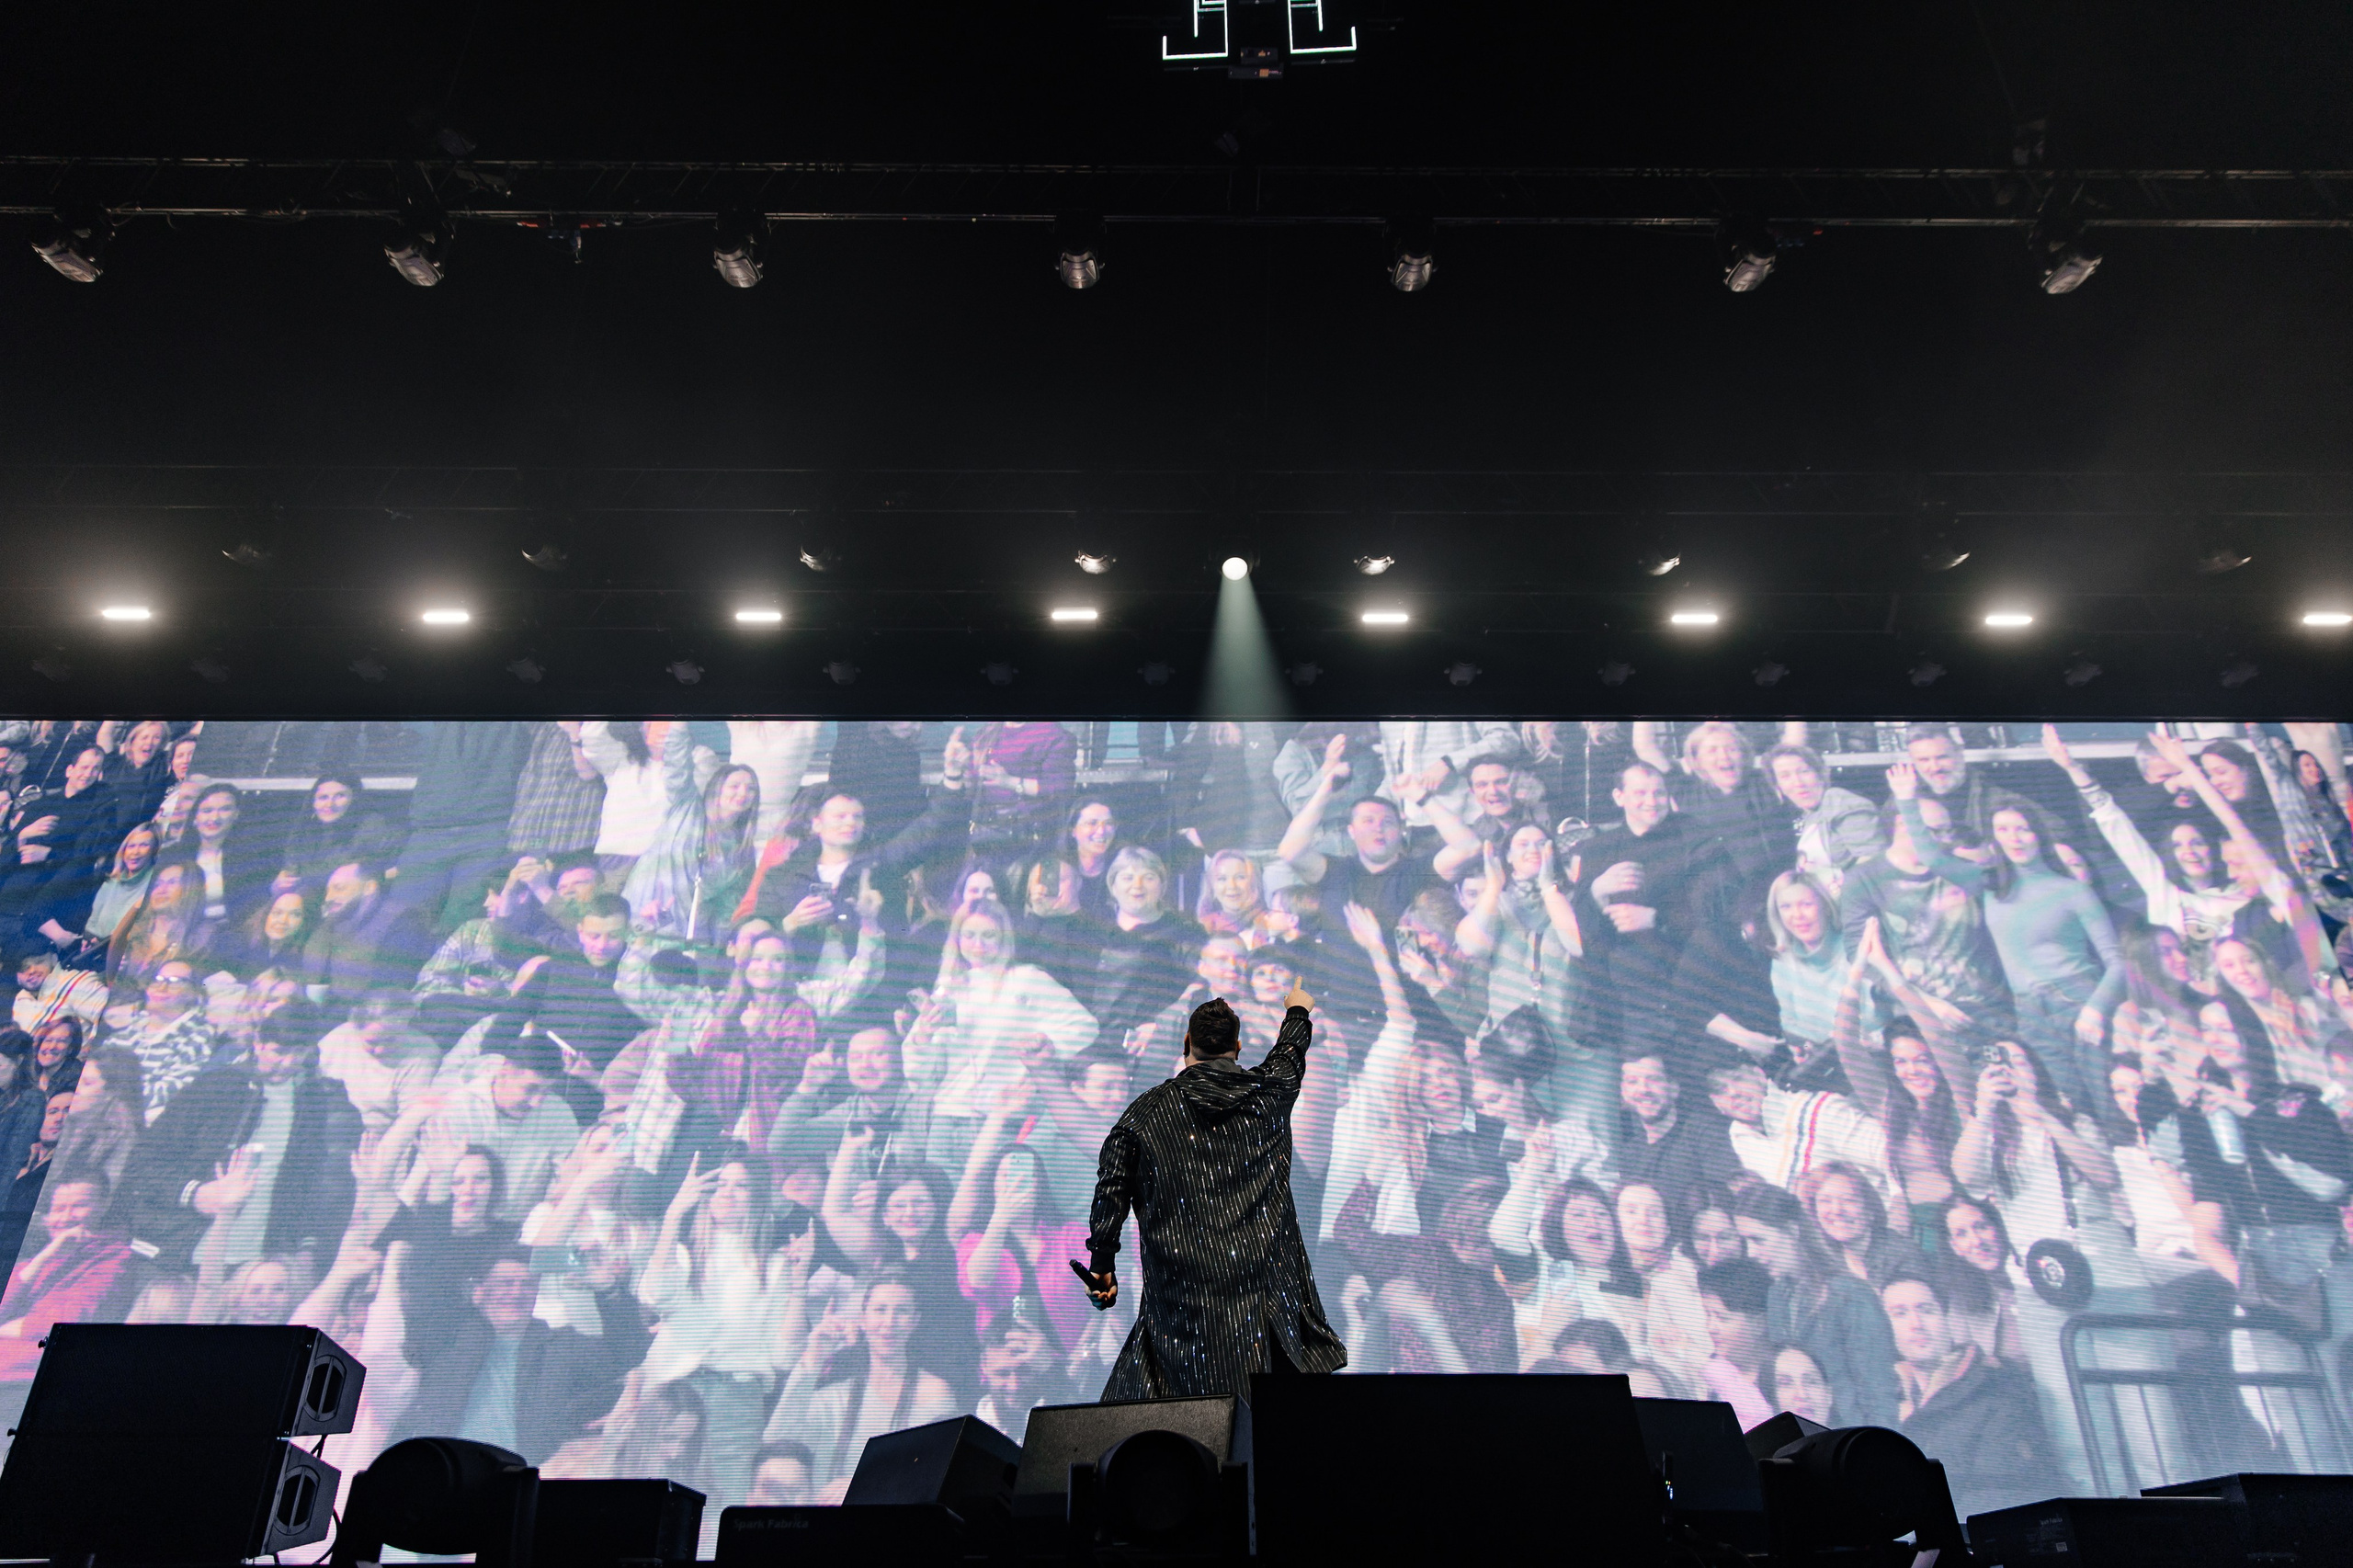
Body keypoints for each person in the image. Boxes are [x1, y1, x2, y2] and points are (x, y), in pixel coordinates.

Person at [1074, 990, 1348, 1397]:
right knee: (1273, 1443)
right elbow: (1289, 1053)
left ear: (1187, 1045)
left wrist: (1101, 1264)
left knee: (1172, 1439)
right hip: (1268, 1316)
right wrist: (1297, 1009)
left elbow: (1110, 1187)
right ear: (1237, 1048)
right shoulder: (1268, 1094)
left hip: (1181, 1319)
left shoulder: (1145, 1114)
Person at [116, 998, 363, 1279]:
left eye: (300, 1052)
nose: (289, 1062)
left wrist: (304, 1246)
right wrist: (195, 1194)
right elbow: (140, 1164)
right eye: (279, 1052)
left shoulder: (313, 1100)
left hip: (251, 1267)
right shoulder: (215, 1087)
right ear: (258, 1043)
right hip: (177, 1253)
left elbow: (307, 1182)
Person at [395, 1248, 654, 1462]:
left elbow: (625, 1352)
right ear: (479, 1291)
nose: (517, 1292)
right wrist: (565, 1256)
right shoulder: (446, 1338)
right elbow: (428, 1266)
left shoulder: (558, 1348)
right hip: (440, 1470)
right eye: (506, 1283)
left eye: (528, 1285)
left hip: (513, 1483)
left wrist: (607, 1288)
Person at [765, 1271, 961, 1498]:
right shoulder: (834, 1396)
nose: (889, 1322)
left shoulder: (934, 1392)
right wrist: (812, 1359)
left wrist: (866, 1482)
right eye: (880, 1310)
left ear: (915, 1321)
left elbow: (940, 1471)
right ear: (862, 1319)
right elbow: (776, 1443)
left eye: (902, 1311)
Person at [1881, 1269, 2059, 1518]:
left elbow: (2006, 1493)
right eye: (1899, 1314)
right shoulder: (1880, 1397)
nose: (1916, 1324)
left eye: (1926, 1309)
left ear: (1947, 1318)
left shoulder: (1998, 1388)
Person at [105, 959, 218, 1122]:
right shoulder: (128, 1028)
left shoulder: (198, 1036)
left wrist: (106, 1098)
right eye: (158, 980)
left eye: (175, 983)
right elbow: (97, 1073)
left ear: (193, 993)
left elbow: (169, 1092)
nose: (161, 988)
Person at [1697, 1256, 1778, 1428]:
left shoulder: (1783, 1375)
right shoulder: (1705, 1374)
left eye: (1722, 1318)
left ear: (1758, 1323)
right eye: (1708, 1315)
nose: (1711, 1327)